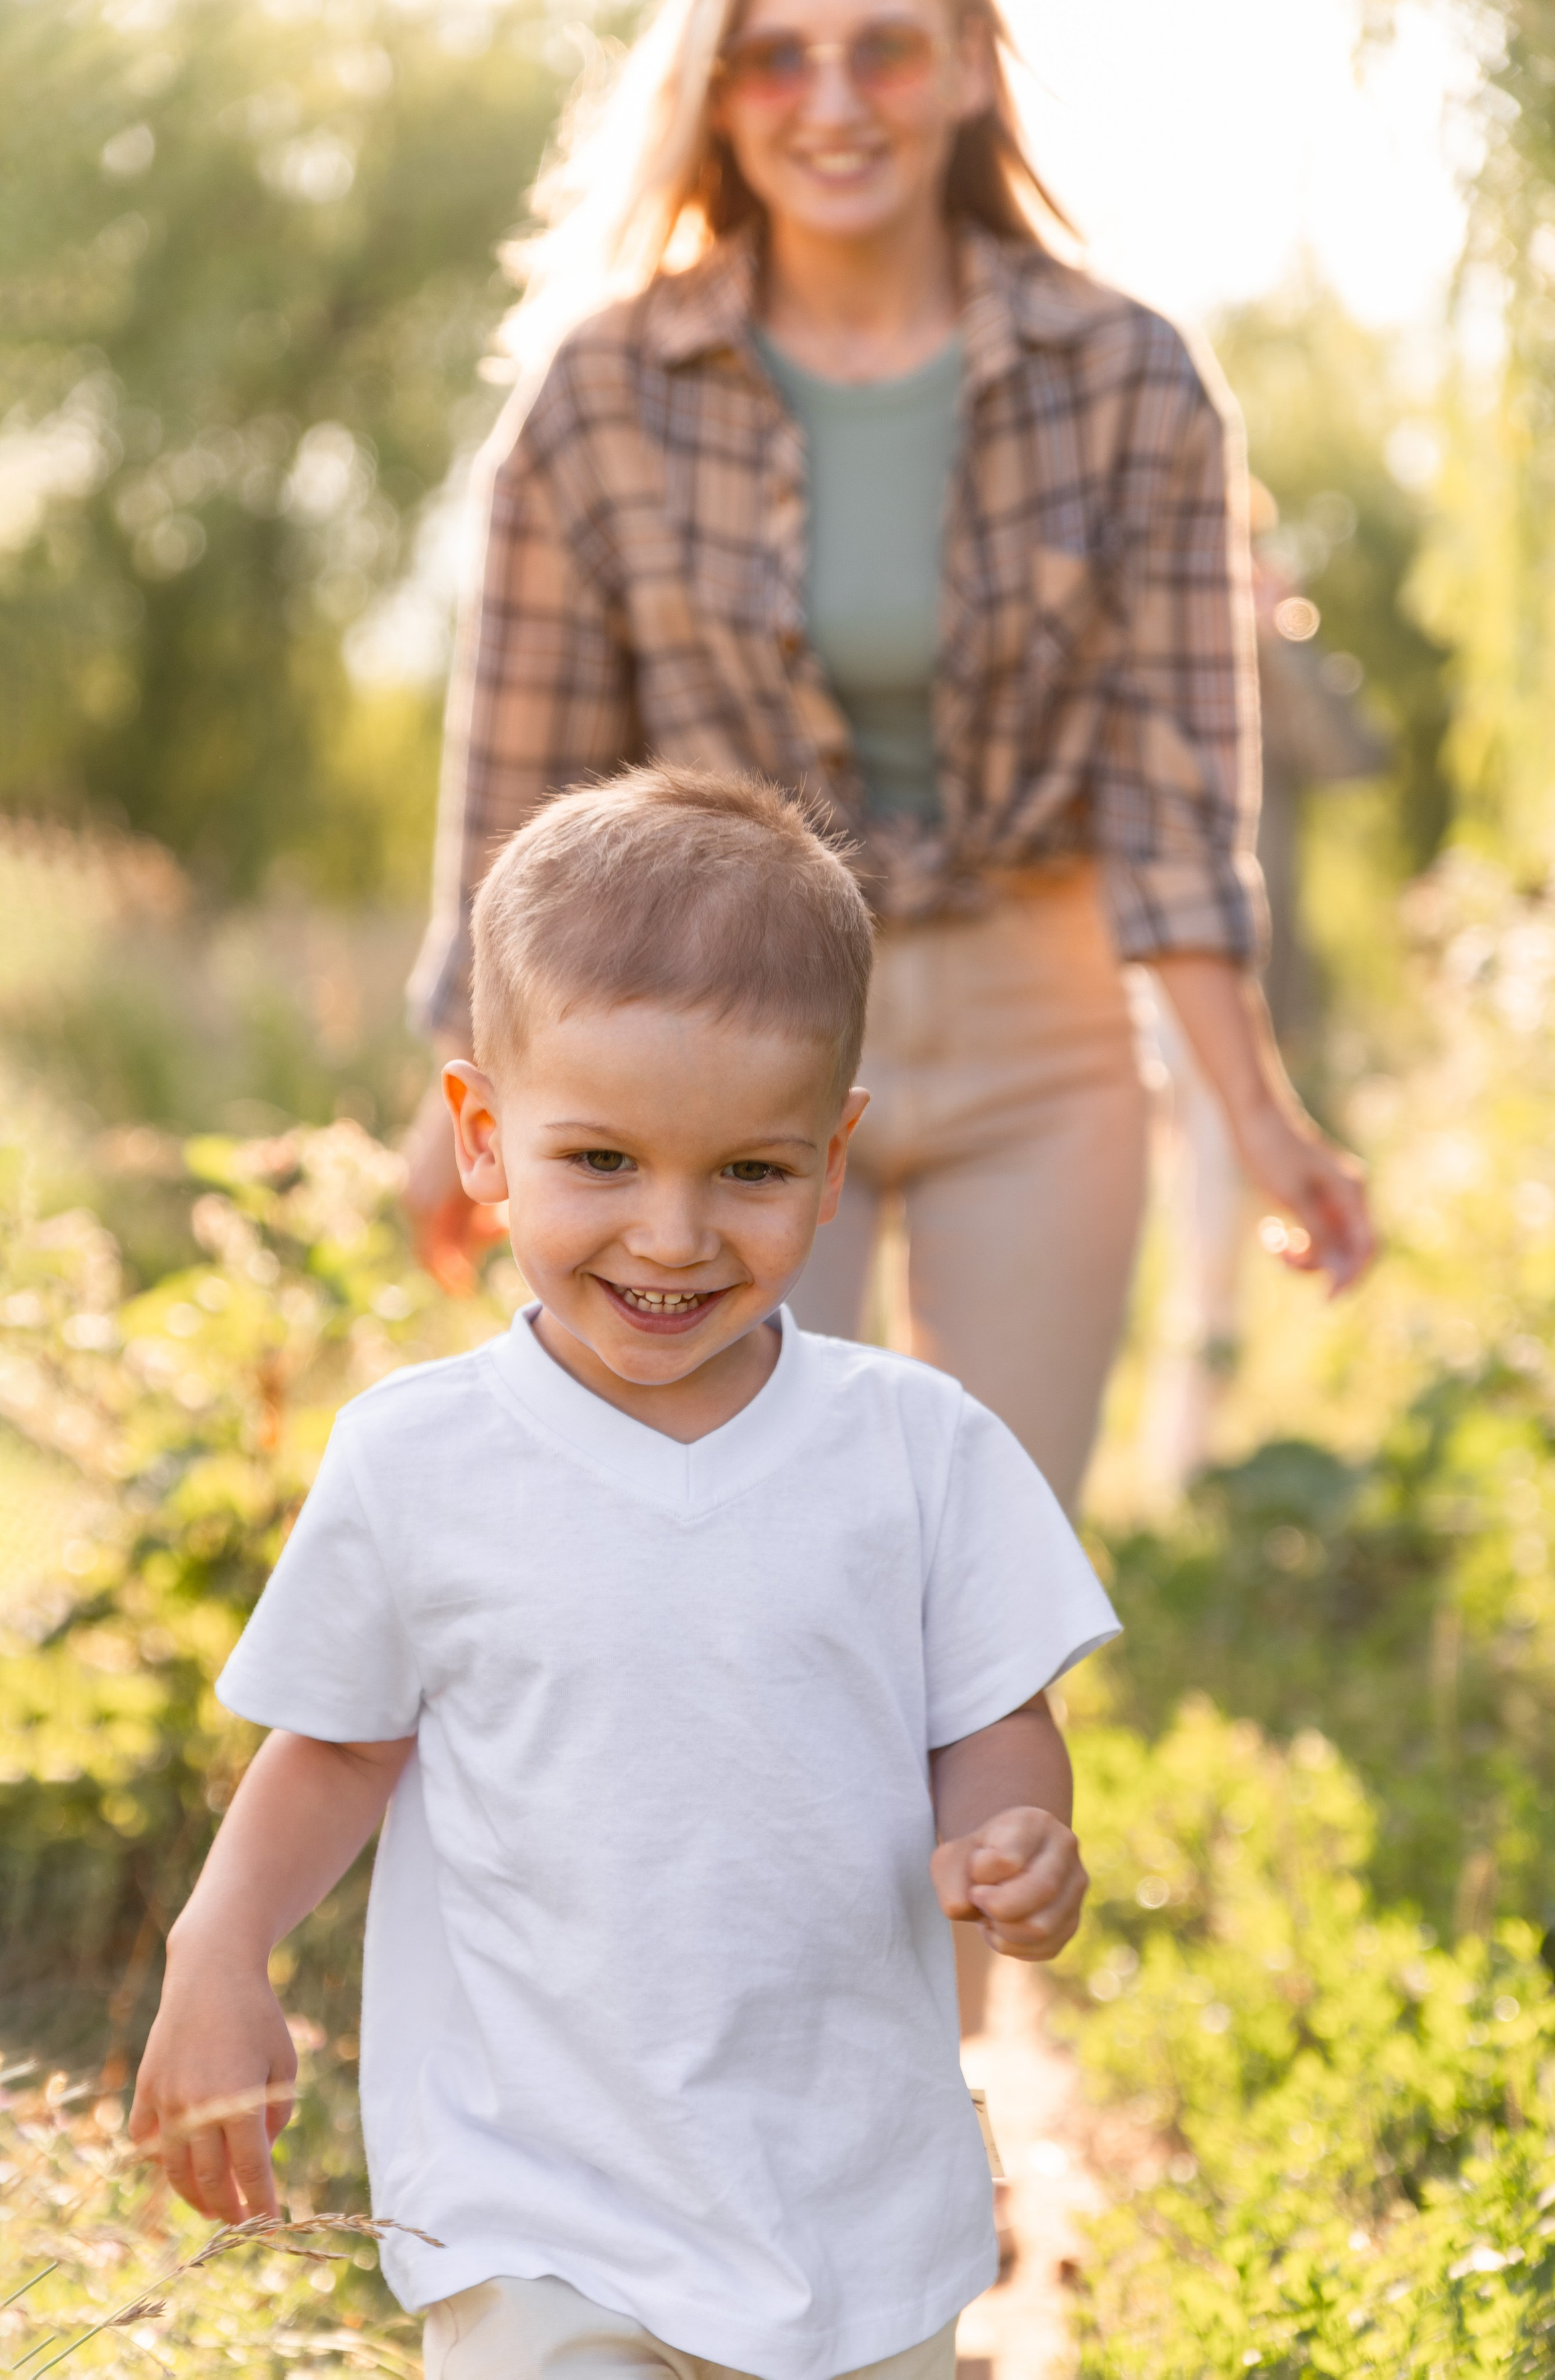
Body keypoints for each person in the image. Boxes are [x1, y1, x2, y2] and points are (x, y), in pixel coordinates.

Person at [131, 765, 1120, 2380]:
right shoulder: (421, 1461)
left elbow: (988, 1715)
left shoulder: (913, 1449)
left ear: (833, 1149)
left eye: (748, 1171)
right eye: (599, 1160)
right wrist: (218, 1946)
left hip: (844, 2201)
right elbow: (337, 1744)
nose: (670, 1238)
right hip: (533, 2201)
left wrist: (1018, 1829)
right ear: (481, 1139)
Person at [402, 0, 1376, 1522]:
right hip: (709, 1047)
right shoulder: (599, 402)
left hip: (1038, 1042)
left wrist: (1258, 1113)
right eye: (780, 54)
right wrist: (450, 1114)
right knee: (733, 1545)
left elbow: (1175, 809)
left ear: (972, 69)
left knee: (991, 1560)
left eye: (887, 47)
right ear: (719, 95)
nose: (832, 98)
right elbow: (512, 809)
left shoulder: (1129, 381)